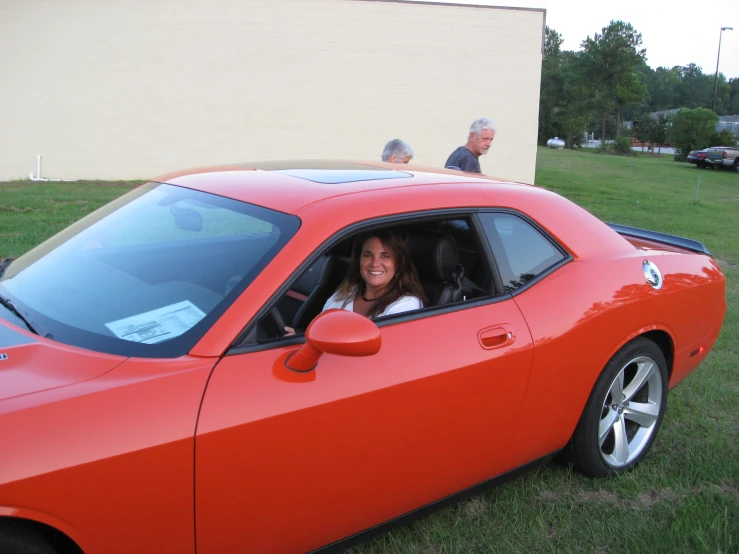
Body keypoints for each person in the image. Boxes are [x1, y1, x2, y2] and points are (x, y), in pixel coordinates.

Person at [284, 231, 425, 335]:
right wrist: (299, 337)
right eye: (367, 255)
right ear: (359, 261)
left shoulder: (406, 305)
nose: (375, 263)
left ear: (399, 264)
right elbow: (320, 331)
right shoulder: (347, 292)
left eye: (385, 256)